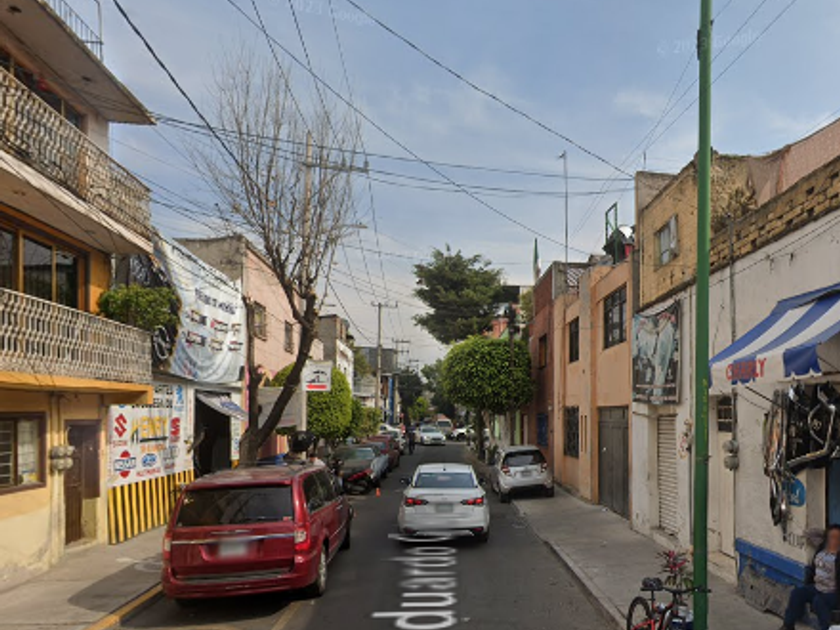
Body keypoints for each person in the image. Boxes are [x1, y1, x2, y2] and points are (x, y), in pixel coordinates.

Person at [781, 524, 840, 630]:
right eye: (831, 537)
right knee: (797, 593)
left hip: (833, 592)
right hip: (817, 587)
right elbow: (809, 533)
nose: (834, 540)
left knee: (819, 601)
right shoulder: (822, 547)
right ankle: (788, 626)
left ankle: (826, 628)